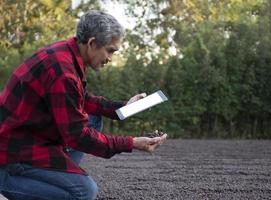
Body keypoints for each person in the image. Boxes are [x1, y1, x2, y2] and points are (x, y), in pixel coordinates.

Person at [0, 10, 167, 200]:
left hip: (31, 135)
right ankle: (7, 184)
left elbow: (81, 100)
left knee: (93, 118)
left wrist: (124, 107)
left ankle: (57, 176)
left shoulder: (66, 54)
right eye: (110, 50)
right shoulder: (63, 72)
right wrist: (132, 143)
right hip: (15, 149)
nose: (111, 58)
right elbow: (77, 136)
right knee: (83, 192)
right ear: (92, 43)